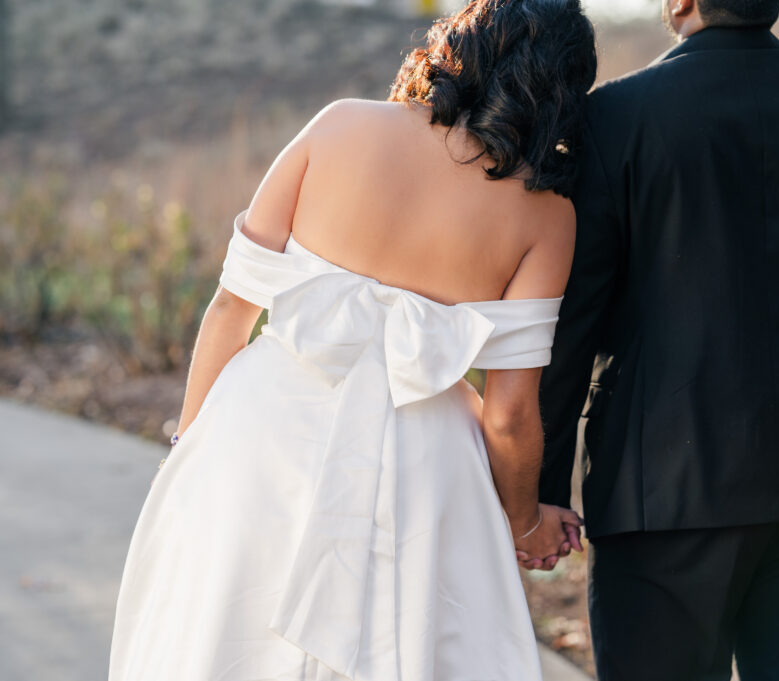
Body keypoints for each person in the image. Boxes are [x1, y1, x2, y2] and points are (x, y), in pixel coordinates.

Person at [108, 2, 595, 679]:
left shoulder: (339, 124)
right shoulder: (547, 217)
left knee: (225, 636)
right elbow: (511, 413)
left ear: (461, 44)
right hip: (425, 467)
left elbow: (230, 307)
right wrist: (520, 522)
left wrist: (191, 450)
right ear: (564, 90)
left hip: (261, 432)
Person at [536, 0, 779, 679]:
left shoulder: (614, 117)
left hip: (658, 495)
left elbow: (572, 322)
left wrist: (543, 486)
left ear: (682, 1)